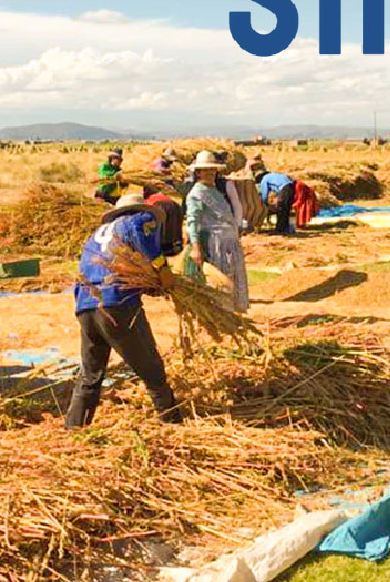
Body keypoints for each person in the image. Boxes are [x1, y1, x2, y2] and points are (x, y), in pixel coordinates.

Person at [67, 194, 182, 428]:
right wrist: (163, 272)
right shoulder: (139, 219)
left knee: (90, 373)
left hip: (86, 306)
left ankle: (74, 427)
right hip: (117, 303)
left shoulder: (96, 235)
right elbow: (147, 248)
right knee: (150, 367)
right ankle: (172, 421)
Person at [184, 151, 249, 312]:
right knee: (221, 283)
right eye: (205, 170)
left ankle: (232, 315)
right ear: (198, 173)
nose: (210, 172)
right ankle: (222, 315)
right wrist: (196, 247)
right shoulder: (197, 194)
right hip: (216, 245)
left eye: (212, 169)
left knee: (233, 280)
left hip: (229, 244)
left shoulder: (214, 190)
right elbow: (193, 222)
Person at [255, 169, 296, 235]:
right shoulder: (273, 175)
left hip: (284, 188)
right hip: (292, 186)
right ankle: (285, 229)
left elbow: (264, 193)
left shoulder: (264, 179)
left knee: (280, 209)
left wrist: (264, 203)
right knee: (286, 209)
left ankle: (279, 230)